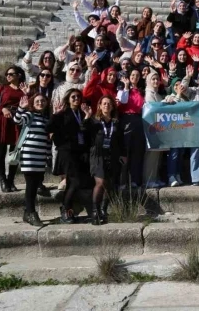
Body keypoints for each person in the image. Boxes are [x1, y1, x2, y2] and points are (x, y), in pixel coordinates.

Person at [47, 88, 90, 223]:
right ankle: (65, 209)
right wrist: (55, 114)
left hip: (80, 152)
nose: (76, 99)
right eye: (73, 97)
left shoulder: (83, 114)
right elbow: (48, 128)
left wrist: (88, 117)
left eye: (78, 97)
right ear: (68, 99)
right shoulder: (62, 114)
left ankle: (68, 209)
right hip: (67, 152)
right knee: (74, 181)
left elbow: (88, 131)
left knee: (73, 181)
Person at [83, 95, 126, 225]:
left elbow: (121, 141)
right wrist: (86, 117)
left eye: (109, 103)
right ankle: (95, 211)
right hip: (97, 155)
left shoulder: (116, 122)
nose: (106, 105)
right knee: (100, 182)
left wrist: (123, 154)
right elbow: (83, 131)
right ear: (100, 106)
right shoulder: (94, 121)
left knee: (109, 184)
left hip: (112, 155)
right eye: (104, 103)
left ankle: (103, 209)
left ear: (112, 106)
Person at [14, 94, 53, 226]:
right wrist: (21, 108)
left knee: (36, 184)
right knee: (31, 185)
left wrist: (48, 155)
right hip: (29, 155)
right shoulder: (30, 114)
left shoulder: (46, 119)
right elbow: (17, 120)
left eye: (42, 101)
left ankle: (27, 212)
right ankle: (31, 213)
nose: (40, 103)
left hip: (40, 156)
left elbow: (47, 140)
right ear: (33, 103)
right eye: (37, 101)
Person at [0, 65, 26, 193]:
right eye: (7, 74)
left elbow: (30, 104)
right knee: (0, 153)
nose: (8, 76)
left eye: (11, 74)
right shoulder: (3, 88)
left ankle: (11, 180)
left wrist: (27, 93)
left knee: (15, 154)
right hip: (3, 121)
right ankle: (3, 180)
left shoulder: (24, 89)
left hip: (18, 121)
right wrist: (2, 109)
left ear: (18, 75)